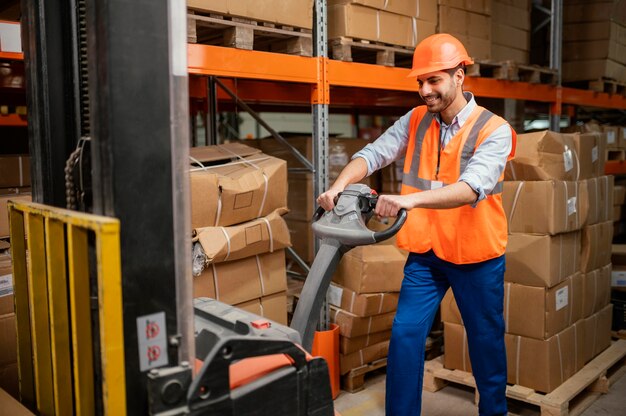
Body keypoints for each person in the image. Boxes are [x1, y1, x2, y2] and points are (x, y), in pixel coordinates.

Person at [317, 33, 516, 416]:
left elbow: (471, 188)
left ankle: (494, 413)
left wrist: (408, 200)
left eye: (434, 80)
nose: (424, 90)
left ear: (460, 75)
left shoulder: (494, 130)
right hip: (426, 254)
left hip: (476, 256)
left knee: (485, 342)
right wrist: (340, 185)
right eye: (420, 82)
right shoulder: (416, 120)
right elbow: (375, 153)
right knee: (405, 336)